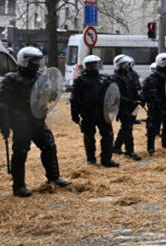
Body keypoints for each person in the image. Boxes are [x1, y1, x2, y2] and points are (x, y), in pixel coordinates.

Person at [0, 47, 70, 197]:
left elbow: (47, 95)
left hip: (37, 120)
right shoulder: (11, 79)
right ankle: (18, 186)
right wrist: (4, 124)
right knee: (20, 152)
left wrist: (51, 95)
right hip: (20, 123)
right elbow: (3, 104)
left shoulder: (40, 77)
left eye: (39, 60)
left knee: (49, 146)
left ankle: (54, 177)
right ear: (24, 61)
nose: (37, 63)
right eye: (34, 61)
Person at [71, 55, 120, 167]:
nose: (94, 67)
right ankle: (91, 159)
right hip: (88, 113)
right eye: (91, 65)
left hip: (103, 113)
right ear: (86, 66)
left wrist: (113, 108)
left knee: (108, 136)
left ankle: (106, 159)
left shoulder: (105, 79)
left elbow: (113, 95)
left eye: (96, 64)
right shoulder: (81, 80)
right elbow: (75, 98)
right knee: (89, 137)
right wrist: (75, 114)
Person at [143, 53, 166, 154]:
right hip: (157, 106)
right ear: (161, 62)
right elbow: (151, 92)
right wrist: (157, 103)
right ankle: (150, 147)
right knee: (153, 126)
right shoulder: (154, 77)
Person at [112, 55, 142, 161]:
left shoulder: (129, 75)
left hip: (131, 106)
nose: (126, 66)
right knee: (127, 128)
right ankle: (130, 151)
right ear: (118, 65)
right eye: (123, 64)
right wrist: (130, 101)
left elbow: (134, 89)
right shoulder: (115, 78)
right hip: (122, 106)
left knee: (126, 127)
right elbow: (117, 94)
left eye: (126, 64)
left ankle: (116, 147)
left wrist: (139, 98)